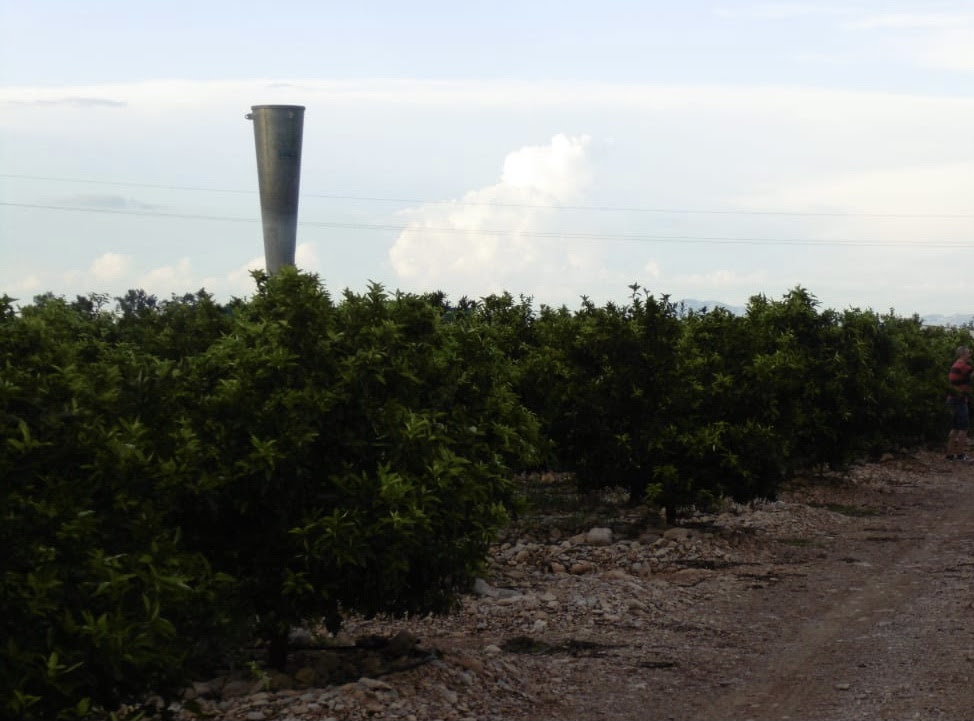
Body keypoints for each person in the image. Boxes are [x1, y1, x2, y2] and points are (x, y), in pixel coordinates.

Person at [945, 345, 973, 461]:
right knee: (963, 428)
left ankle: (950, 454)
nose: (970, 355)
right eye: (968, 353)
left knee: (955, 428)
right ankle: (961, 455)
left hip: (952, 399)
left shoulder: (955, 365)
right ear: (962, 355)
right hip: (959, 400)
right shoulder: (962, 366)